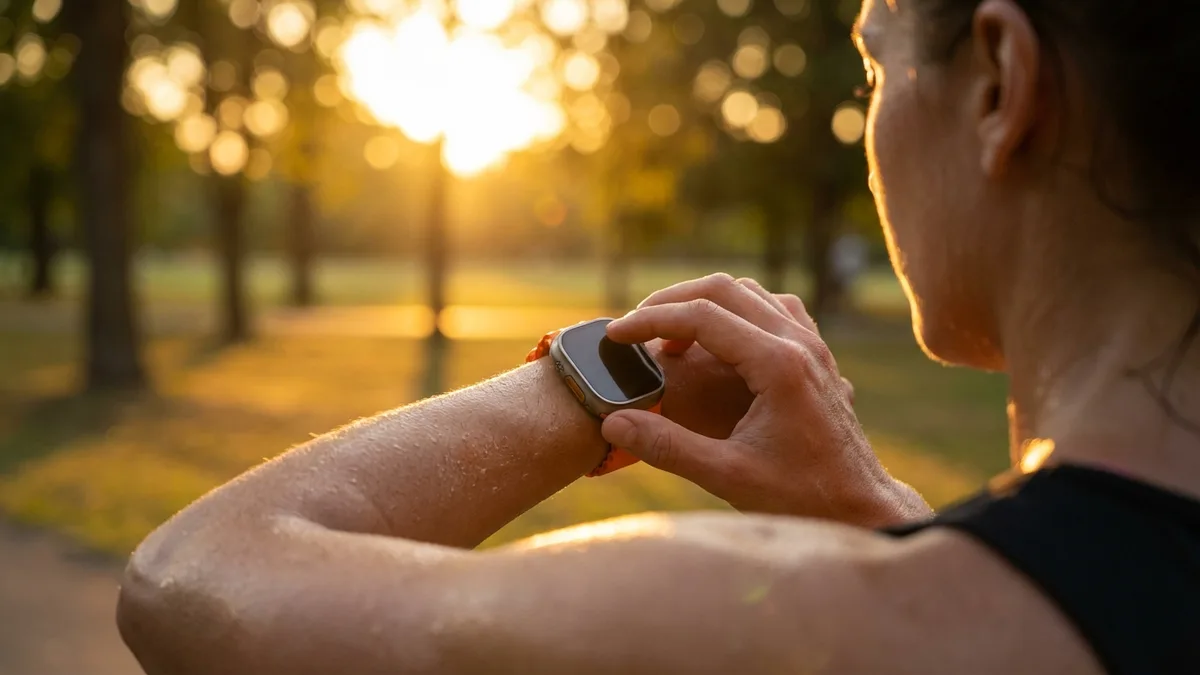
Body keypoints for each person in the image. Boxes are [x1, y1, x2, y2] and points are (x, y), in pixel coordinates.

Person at [117, 0, 1200, 672]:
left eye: (875, 66)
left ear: (1002, 86)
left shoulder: (808, 629)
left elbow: (189, 581)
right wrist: (889, 522)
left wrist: (594, 385)